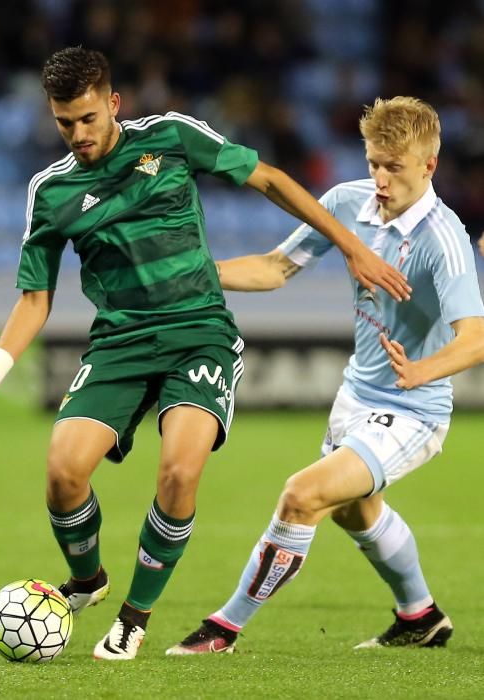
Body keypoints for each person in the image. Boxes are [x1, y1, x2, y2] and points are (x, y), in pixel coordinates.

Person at [0, 48, 409, 662]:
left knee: (179, 472)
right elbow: (35, 297)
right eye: (63, 123)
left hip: (199, 333)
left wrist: (349, 245)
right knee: (62, 472)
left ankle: (134, 617)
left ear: (113, 104)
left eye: (86, 118)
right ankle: (87, 581)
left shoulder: (171, 137)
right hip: (121, 341)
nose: (77, 135)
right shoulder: (51, 191)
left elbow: (268, 179)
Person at [166, 96, 484, 655]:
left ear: (429, 165)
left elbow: (476, 337)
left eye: (395, 167)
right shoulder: (346, 201)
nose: (380, 179)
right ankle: (421, 617)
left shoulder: (444, 238)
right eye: (373, 164)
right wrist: (194, 275)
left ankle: (223, 629)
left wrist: (421, 371)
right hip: (355, 393)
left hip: (414, 408)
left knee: (302, 495)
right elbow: (274, 268)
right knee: (353, 510)